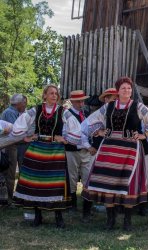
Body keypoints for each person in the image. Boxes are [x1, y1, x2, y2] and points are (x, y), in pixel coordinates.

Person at [81, 77, 148, 231]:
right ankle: (110, 220)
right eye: (123, 88)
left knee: (128, 184)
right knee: (108, 182)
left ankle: (127, 221)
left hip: (130, 149)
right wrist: (99, 130)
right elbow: (90, 121)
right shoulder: (108, 106)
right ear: (118, 91)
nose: (127, 91)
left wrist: (144, 135)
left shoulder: (138, 106)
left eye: (129, 88)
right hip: (109, 148)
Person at [12, 84, 82, 228]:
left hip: (55, 151)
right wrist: (26, 137)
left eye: (56, 93)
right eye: (51, 93)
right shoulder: (35, 110)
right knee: (35, 182)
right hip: (37, 149)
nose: (54, 95)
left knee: (55, 184)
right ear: (44, 95)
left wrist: (64, 139)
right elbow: (19, 125)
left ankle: (58, 217)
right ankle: (38, 216)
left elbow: (76, 130)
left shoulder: (63, 111)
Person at [81, 88, 118, 222]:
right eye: (114, 99)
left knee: (111, 182)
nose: (116, 102)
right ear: (106, 99)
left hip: (113, 154)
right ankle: (86, 212)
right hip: (97, 152)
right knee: (91, 181)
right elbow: (83, 131)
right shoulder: (97, 115)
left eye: (117, 99)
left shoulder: (120, 115)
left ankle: (111, 215)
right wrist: (88, 146)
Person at [64, 90, 90, 212]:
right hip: (72, 151)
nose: (81, 103)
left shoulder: (85, 114)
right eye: (79, 101)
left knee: (87, 176)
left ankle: (87, 206)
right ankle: (72, 204)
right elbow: (65, 134)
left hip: (85, 151)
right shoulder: (67, 114)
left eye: (82, 101)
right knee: (72, 176)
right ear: (72, 102)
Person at [1, 94, 27, 204]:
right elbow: (16, 134)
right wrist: (28, 137)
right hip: (9, 147)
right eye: (24, 103)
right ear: (19, 103)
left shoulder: (13, 112)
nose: (25, 105)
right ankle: (9, 199)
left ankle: (11, 197)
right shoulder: (10, 113)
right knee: (10, 174)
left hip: (13, 146)